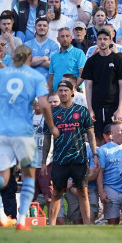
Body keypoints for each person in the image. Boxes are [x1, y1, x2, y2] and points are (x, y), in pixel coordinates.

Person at [0, 45, 58, 230]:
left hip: (1, 132)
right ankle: (22, 221)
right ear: (30, 59)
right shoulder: (35, 77)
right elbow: (45, 105)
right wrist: (52, 126)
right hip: (22, 131)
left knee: (2, 178)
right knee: (29, 175)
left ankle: (2, 216)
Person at [46, 80, 96, 226]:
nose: (63, 93)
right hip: (60, 159)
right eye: (60, 90)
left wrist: (94, 154)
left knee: (83, 192)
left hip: (79, 158)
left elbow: (91, 134)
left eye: (65, 90)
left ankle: (88, 226)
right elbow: (46, 138)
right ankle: (52, 226)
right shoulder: (52, 113)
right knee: (56, 193)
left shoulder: (82, 111)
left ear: (72, 92)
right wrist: (44, 161)